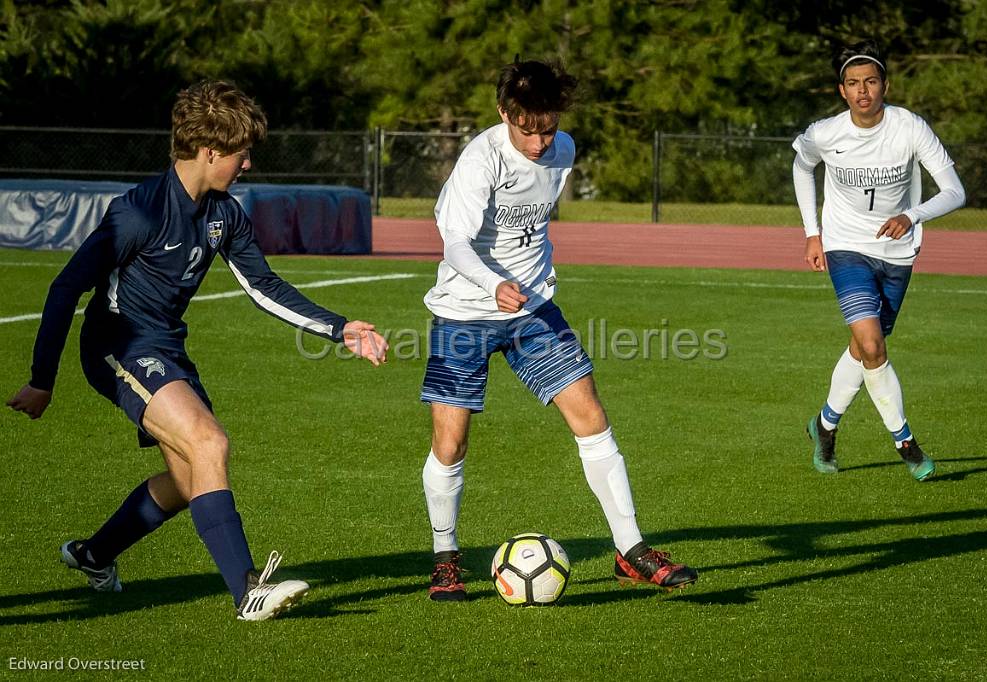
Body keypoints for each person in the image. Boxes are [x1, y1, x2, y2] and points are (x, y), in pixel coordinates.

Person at [6, 80, 389, 621]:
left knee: (190, 479)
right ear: (210, 152)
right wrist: (42, 377)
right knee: (210, 443)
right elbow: (66, 287)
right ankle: (248, 591)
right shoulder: (137, 213)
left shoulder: (224, 214)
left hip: (166, 348)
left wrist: (340, 328)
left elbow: (263, 287)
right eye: (242, 153)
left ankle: (94, 555)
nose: (248, 164)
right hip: (118, 345)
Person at [418, 58, 698, 601]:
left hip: (534, 311)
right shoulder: (481, 159)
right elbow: (454, 242)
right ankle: (445, 556)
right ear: (504, 114)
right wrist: (491, 282)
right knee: (450, 444)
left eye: (548, 128)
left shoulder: (563, 150)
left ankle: (631, 549)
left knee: (591, 416)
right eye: (528, 129)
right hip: (464, 311)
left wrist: (523, 283)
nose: (541, 141)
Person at [792, 40, 966, 481]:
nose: (863, 91)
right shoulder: (825, 133)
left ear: (885, 85)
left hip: (898, 253)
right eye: (853, 83)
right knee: (872, 343)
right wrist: (813, 234)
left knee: (863, 347)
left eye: (870, 81)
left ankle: (824, 426)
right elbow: (801, 166)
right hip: (846, 246)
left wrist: (912, 215)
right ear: (842, 90)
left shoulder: (910, 128)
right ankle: (905, 443)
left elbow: (955, 191)